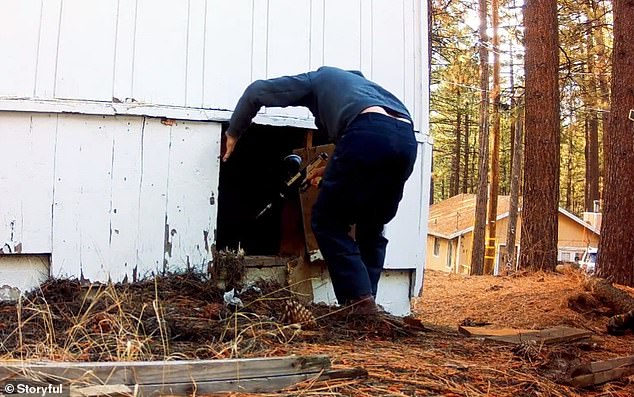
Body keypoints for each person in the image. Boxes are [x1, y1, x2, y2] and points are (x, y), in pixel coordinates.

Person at [223, 66, 417, 314]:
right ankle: (367, 305)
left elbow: (257, 91)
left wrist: (234, 131)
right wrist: (330, 169)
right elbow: (375, 139)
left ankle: (358, 302)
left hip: (365, 132)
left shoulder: (318, 80)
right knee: (372, 225)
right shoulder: (368, 92)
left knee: (328, 221)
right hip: (405, 140)